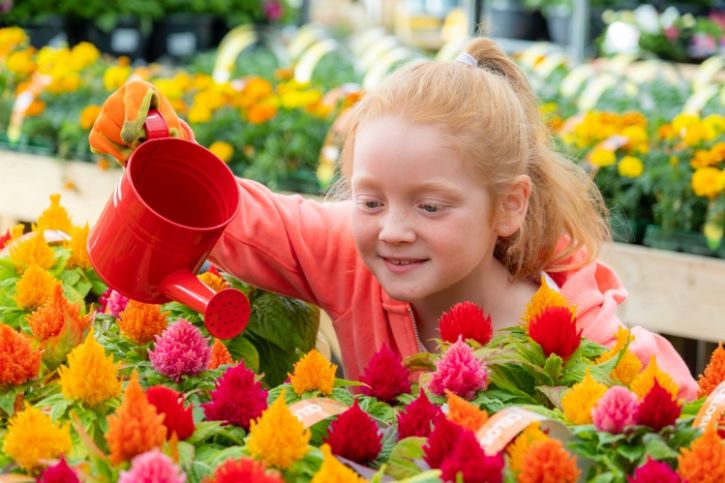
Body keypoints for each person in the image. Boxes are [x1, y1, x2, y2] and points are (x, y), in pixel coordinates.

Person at [90, 37, 698, 400]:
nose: (394, 229)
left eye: (430, 206)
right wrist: (162, 147)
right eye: (370, 199)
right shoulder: (353, 256)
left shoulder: (580, 343)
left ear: (509, 206)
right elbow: (239, 218)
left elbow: (671, 424)